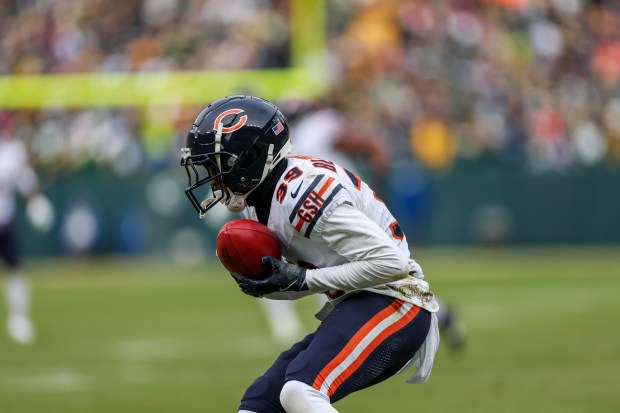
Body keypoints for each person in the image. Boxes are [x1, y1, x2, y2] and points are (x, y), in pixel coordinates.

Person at [180, 95, 440, 412]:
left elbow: (392, 264)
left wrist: (304, 280)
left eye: (217, 166)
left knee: (301, 391)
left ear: (248, 160)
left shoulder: (302, 194)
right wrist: (269, 284)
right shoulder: (259, 199)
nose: (212, 177)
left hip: (398, 303)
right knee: (258, 403)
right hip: (358, 303)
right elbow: (296, 282)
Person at [0, 111, 54, 344]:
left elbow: (27, 182)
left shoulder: (11, 153)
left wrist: (36, 202)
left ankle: (19, 318)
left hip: (4, 221)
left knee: (15, 270)